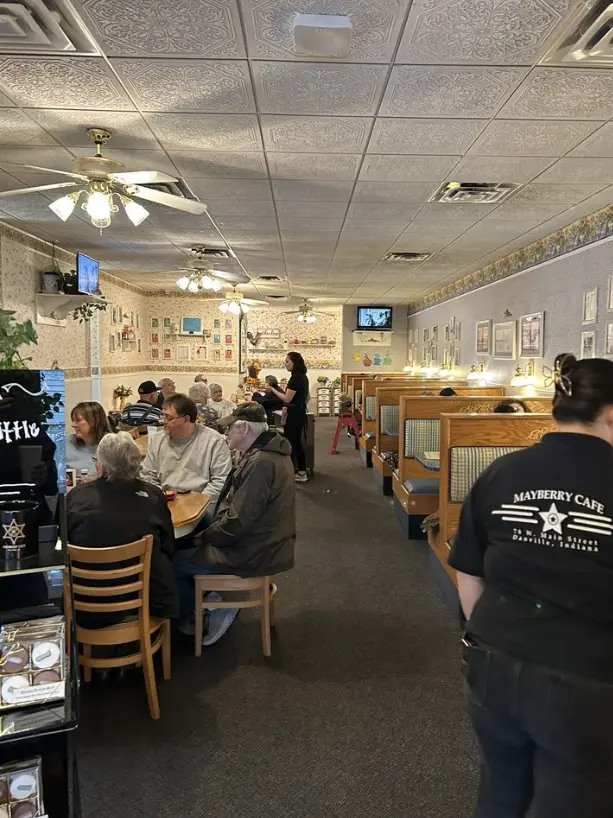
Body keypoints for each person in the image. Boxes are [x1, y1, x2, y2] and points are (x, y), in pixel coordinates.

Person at [449, 352, 613, 818]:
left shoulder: (502, 471)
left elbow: (469, 570)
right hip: (585, 678)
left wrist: (479, 638)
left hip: (493, 663)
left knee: (501, 793)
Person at [173, 403, 296, 646]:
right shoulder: (268, 454)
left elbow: (238, 522)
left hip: (254, 552)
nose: (225, 433)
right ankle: (211, 599)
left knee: (173, 562)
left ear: (244, 428)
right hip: (268, 543)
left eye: (229, 427)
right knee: (191, 542)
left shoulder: (260, 463)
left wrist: (204, 538)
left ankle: (195, 617)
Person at [67, 432, 178, 628]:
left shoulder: (75, 497)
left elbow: (62, 543)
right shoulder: (153, 496)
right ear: (136, 464)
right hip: (147, 603)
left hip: (86, 607)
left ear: (100, 466)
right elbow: (169, 546)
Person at [141, 393, 231, 526]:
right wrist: (161, 497)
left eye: (169, 417)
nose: (162, 421)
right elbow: (148, 475)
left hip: (201, 502)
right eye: (162, 415)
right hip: (164, 499)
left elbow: (221, 480)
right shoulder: (157, 440)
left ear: (186, 419)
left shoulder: (213, 441)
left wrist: (197, 502)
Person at [265, 352, 309, 482]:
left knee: (293, 443)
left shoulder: (296, 378)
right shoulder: (303, 377)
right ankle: (298, 470)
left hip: (294, 415)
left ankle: (300, 471)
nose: (285, 363)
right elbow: (306, 397)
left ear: (295, 363)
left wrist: (273, 390)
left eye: (288, 361)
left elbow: (287, 398)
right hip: (298, 412)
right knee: (295, 442)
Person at [66, 401, 113, 478]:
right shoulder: (68, 443)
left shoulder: (115, 444)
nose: (73, 425)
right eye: (73, 420)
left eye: (78, 420)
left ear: (94, 421)